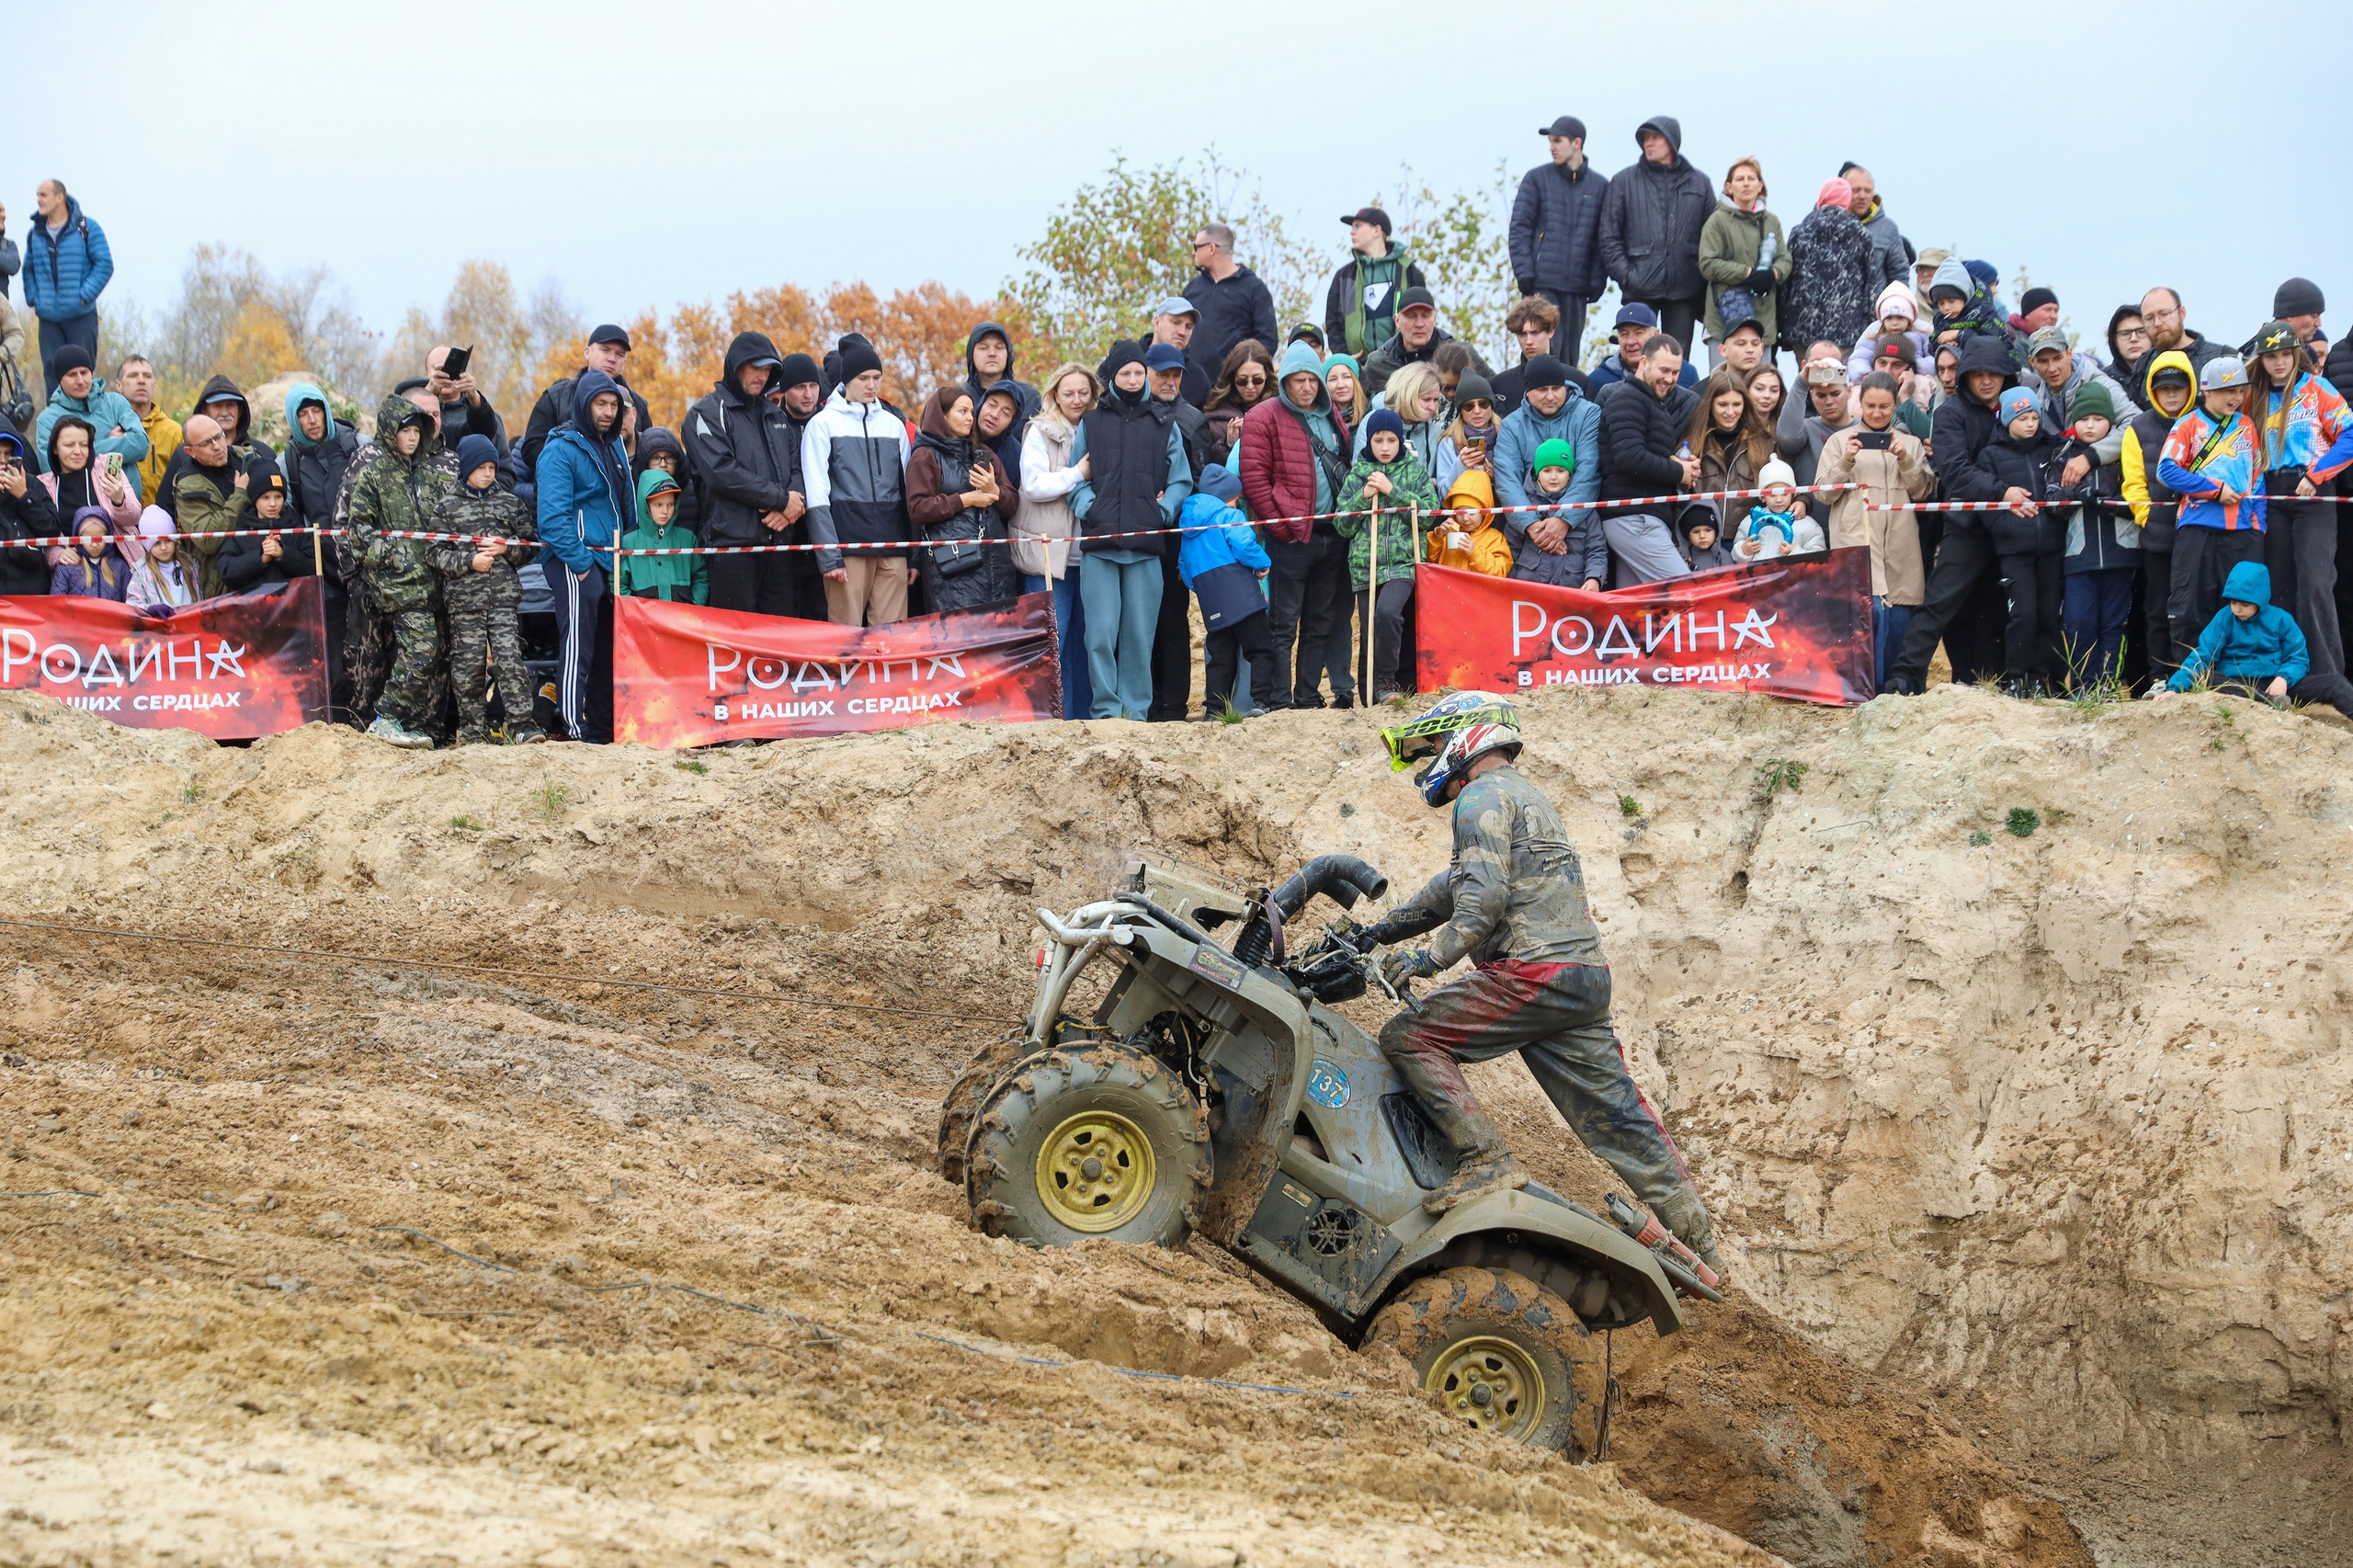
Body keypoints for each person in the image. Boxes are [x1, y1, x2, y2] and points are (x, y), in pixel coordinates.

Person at [1358, 692, 1723, 1272]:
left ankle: (1485, 1159)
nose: (1430, 762)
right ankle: (1703, 1250)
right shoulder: (1526, 796)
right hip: (1582, 979)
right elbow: (1450, 888)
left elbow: (1480, 902)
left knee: (1409, 1036)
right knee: (1619, 1121)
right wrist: (1379, 931)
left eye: (1434, 746)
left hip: (1532, 972)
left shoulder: (1478, 797)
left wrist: (1426, 960)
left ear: (1465, 737)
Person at [1887, 336, 2031, 695]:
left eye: (1994, 373)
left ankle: (2009, 681)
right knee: (1939, 601)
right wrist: (2002, 492)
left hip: (2013, 525)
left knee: (2006, 608)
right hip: (1969, 524)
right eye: (1978, 374)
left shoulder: (2021, 407)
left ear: (2006, 374)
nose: (1987, 381)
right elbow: (1955, 471)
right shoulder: (1950, 413)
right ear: (1966, 376)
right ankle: (1905, 676)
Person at [1070, 341, 1190, 720]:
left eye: (1139, 372)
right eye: (1126, 373)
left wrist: (1161, 511)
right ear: (1113, 376)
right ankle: (1106, 711)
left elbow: (1181, 480)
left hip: (1145, 546)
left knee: (1140, 635)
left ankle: (1135, 712)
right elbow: (1075, 480)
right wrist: (1091, 508)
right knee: (1100, 634)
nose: (1134, 379)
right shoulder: (1091, 423)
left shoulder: (1165, 423)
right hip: (1100, 546)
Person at [2241, 321, 2353, 702]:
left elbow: (2350, 434)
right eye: (2271, 356)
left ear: (2295, 354)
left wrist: (2317, 474)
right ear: (2261, 359)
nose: (2279, 362)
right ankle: (2283, 680)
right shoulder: (2252, 396)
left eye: (2286, 354)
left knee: (2315, 582)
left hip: (2312, 491)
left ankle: (2329, 678)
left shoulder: (2318, 388)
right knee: (2277, 585)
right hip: (2268, 492)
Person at [1242, 340, 1356, 710]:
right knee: (1283, 624)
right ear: (1285, 381)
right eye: (1298, 380)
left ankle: (1307, 695)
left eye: (1312, 380)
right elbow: (1254, 480)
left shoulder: (1331, 414)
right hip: (1290, 539)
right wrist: (1282, 528)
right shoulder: (1263, 416)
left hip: (1331, 534)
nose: (1306, 387)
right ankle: (1278, 699)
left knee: (1320, 621)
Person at [343, 396, 452, 747]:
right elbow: (357, 533)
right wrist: (395, 555)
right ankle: (387, 717)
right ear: (390, 433)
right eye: (405, 431)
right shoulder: (373, 475)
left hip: (434, 582)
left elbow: (445, 522)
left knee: (432, 656)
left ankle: (410, 724)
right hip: (399, 583)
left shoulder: (432, 476)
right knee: (422, 649)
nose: (412, 438)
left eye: (417, 431)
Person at [1815, 370, 1936, 686]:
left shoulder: (1910, 443)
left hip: (1901, 550)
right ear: (1860, 403)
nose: (1877, 413)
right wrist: (1846, 460)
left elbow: (1924, 491)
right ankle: (1864, 694)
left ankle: (1899, 694)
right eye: (1870, 406)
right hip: (1857, 546)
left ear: (1895, 404)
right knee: (1865, 627)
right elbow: (1823, 494)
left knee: (1899, 627)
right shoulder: (1839, 440)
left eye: (1884, 406)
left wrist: (1905, 458)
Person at [424, 433, 542, 744]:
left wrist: (507, 549)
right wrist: (469, 561)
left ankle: (521, 725)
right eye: (481, 468)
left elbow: (530, 545)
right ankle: (473, 731)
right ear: (466, 469)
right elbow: (434, 553)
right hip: (464, 603)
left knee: (509, 660)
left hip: (503, 599)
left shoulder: (509, 502)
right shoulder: (447, 507)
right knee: (469, 668)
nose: (488, 474)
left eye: (492, 467)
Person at [537, 371, 633, 743]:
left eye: (614, 405)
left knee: (609, 649)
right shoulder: (560, 449)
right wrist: (581, 566)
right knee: (579, 646)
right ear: (583, 405)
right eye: (600, 404)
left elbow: (623, 505)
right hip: (574, 560)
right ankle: (574, 729)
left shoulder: (614, 445)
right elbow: (551, 519)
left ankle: (602, 730)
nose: (608, 412)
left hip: (611, 561)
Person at [687, 331, 805, 619]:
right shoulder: (704, 413)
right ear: (736, 366)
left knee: (779, 637)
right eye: (755, 368)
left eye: (768, 370)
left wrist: (790, 510)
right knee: (732, 641)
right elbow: (720, 472)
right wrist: (781, 500)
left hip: (779, 547)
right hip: (731, 549)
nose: (762, 377)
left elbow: (798, 468)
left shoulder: (776, 415)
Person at [2157, 355, 2267, 655]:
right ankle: (2191, 673)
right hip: (2197, 528)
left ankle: (2236, 673)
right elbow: (2166, 470)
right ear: (2207, 391)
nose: (2237, 397)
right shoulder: (2188, 423)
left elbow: (2257, 476)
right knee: (2190, 606)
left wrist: (2259, 527)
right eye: (2229, 390)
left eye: (2241, 390)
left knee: (2242, 608)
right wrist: (2214, 490)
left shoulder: (2247, 425)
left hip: (2243, 532)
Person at [802, 339, 914, 628]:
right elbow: (816, 495)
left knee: (894, 639)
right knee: (846, 637)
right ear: (846, 380)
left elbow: (908, 493)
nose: (871, 385)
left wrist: (913, 555)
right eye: (863, 378)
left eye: (877, 378)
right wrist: (829, 555)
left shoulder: (894, 425)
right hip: (846, 547)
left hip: (893, 546)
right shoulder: (822, 424)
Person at [1336, 409, 1438, 701]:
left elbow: (1430, 514)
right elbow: (1342, 525)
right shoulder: (1357, 475)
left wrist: (1392, 491)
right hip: (1365, 565)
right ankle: (1369, 695)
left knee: (1388, 614)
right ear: (1368, 441)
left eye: (1391, 440)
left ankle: (1386, 682)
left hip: (1403, 563)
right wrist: (1363, 497)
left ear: (1400, 441)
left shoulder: (1415, 472)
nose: (1384, 447)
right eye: (1378, 440)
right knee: (1371, 629)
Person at [1016, 362, 1097, 718]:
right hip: (1048, 557)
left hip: (1091, 555)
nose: (1077, 400)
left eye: (1083, 392)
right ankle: (1050, 719)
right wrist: (1077, 473)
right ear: (1055, 396)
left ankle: (1083, 721)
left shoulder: (1099, 429)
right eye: (1069, 393)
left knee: (1086, 644)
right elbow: (1034, 485)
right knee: (1052, 644)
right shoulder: (1039, 432)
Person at [1597, 117, 1713, 356]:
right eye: (1645, 139)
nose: (1647, 143)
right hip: (1638, 288)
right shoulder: (1623, 181)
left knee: (1676, 360)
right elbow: (1608, 236)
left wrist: (1697, 274)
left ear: (1672, 141)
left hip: (1684, 289)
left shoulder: (1699, 183)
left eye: (1654, 138)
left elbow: (1712, 235)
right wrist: (1627, 276)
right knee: (1635, 357)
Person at [1978, 385, 2067, 692]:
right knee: (2023, 615)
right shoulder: (1991, 455)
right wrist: (2008, 527)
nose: (2030, 424)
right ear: (2006, 420)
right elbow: (1985, 506)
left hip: (2051, 548)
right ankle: (2015, 677)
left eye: (2034, 417)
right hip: (2015, 550)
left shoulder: (2052, 448)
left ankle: (2040, 678)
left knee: (2049, 614)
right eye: (2022, 418)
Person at [906, 385, 1019, 616]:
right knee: (960, 634)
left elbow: (1012, 505)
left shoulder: (983, 453)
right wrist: (967, 500)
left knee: (998, 634)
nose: (970, 418)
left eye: (971, 412)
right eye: (962, 411)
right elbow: (918, 509)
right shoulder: (925, 455)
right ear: (942, 415)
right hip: (952, 569)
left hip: (996, 568)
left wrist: (994, 490)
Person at [2052, 381, 2135, 686]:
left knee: (2114, 624)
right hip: (2079, 556)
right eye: (2084, 419)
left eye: (2098, 419)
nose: (2090, 425)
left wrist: (2110, 504)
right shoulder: (2063, 454)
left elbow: (2139, 499)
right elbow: (2052, 501)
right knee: (2077, 623)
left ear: (2110, 422)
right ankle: (2084, 685)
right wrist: (2077, 493)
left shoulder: (2125, 454)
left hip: (2122, 553)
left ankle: (2108, 685)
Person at [1598, 335, 1699, 584]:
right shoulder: (1628, 398)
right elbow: (1630, 457)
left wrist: (1679, 464)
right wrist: (1680, 472)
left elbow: (1640, 453)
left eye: (1675, 372)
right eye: (1664, 370)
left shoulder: (1648, 402)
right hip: (1635, 519)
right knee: (1687, 593)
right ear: (1643, 362)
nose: (1670, 379)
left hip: (1639, 519)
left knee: (1640, 606)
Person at [1145, 343, 1211, 721]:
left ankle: (1173, 704)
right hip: (1136, 532)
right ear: (1147, 374)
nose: (1170, 381)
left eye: (1176, 375)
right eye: (1162, 374)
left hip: (1174, 534)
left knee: (1172, 617)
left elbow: (1199, 481)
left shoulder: (1192, 420)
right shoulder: (1131, 414)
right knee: (1141, 620)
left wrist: (1170, 496)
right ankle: (1148, 701)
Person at [2121, 352, 2197, 676]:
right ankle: (2159, 676)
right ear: (2152, 390)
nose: (2171, 394)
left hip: (2199, 533)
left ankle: (2193, 674)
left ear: (2190, 387)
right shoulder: (2138, 428)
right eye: (2163, 388)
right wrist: (2147, 518)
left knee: (2195, 607)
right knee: (2157, 610)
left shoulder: (2205, 422)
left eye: (2177, 387)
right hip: (2157, 538)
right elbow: (2133, 483)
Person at [1508, 119, 1609, 360]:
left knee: (1570, 359)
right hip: (1541, 285)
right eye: (1550, 141)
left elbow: (1602, 239)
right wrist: (1524, 272)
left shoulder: (1600, 186)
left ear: (1577, 143)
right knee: (1539, 354)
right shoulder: (1536, 179)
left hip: (1577, 288)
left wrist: (1598, 278)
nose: (1551, 147)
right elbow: (1519, 229)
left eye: (1557, 141)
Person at [1178, 464, 1274, 718]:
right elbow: (1244, 545)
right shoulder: (1229, 516)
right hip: (1242, 597)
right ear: (1225, 496)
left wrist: (1207, 587)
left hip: (1212, 602)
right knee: (1261, 648)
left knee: (1220, 658)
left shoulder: (1188, 528)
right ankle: (1261, 702)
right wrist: (1263, 564)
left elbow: (1185, 569)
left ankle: (1214, 710)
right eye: (1235, 498)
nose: (1237, 502)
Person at [2155, 562, 2306, 704]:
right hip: (2234, 683)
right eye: (2233, 603)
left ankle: (2273, 698)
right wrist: (2174, 689)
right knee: (2206, 677)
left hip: (2273, 681)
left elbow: (2298, 657)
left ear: (2260, 600)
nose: (2237, 610)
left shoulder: (2282, 619)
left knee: (2320, 683)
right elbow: (2202, 655)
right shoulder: (2223, 618)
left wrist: (2283, 678)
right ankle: (2269, 701)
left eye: (2245, 604)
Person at [1494, 354, 1600, 535]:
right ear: (1528, 391)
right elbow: (1507, 481)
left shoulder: (1588, 414)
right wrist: (1531, 525)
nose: (1550, 396)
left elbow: (1588, 471)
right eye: (1542, 390)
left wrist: (1563, 520)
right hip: (1527, 532)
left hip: (1581, 526)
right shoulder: (1511, 425)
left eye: (1556, 388)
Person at [1696, 157, 1790, 361]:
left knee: (1761, 380)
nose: (1746, 184)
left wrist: (1772, 274)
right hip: (1723, 319)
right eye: (1740, 179)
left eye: (1751, 178)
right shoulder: (1717, 221)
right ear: (1729, 187)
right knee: (1723, 380)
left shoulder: (1771, 221)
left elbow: (1785, 258)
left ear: (1760, 185)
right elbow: (1708, 263)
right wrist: (1747, 273)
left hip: (1763, 318)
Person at [21, 182, 112, 393]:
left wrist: (84, 296)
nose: (39, 200)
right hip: (48, 319)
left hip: (81, 316)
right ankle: (56, 415)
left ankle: (85, 415)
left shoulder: (87, 228)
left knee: (82, 373)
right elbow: (28, 268)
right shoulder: (35, 233)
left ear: (59, 198)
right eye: (37, 195)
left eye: (43, 195)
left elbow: (104, 264)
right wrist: (34, 298)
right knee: (52, 373)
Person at [521, 324, 649, 473]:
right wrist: (578, 469)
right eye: (605, 350)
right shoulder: (555, 398)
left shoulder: (638, 405)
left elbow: (651, 453)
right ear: (587, 352)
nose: (612, 359)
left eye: (620, 354)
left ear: (625, 362)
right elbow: (531, 449)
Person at [1779, 178, 1878, 369]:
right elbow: (1871, 284)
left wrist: (1783, 324)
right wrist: (1871, 327)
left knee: (1806, 378)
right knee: (1838, 381)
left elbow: (1786, 283)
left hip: (1803, 325)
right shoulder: (1861, 234)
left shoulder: (1800, 231)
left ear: (1821, 198)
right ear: (1847, 201)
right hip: (1847, 327)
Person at [2019, 326, 2133, 481]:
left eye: (2057, 358)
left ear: (2069, 353)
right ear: (2032, 362)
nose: (2052, 368)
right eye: (2043, 361)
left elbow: (2135, 423)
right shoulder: (2037, 401)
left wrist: (2091, 456)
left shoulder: (2102, 386)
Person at [1181, 225, 1278, 403]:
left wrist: (1242, 377)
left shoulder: (1253, 288)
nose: (1193, 253)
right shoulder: (1193, 288)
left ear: (1212, 248)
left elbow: (1267, 341)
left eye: (1196, 247)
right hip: (1191, 389)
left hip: (1231, 396)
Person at [33, 345, 148, 483]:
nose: (80, 381)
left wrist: (78, 452)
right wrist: (114, 444)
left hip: (126, 495)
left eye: (84, 372)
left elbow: (141, 444)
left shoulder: (116, 403)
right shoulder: (47, 420)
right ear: (60, 379)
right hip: (78, 496)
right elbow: (52, 471)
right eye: (72, 375)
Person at [1506, 438, 1609, 590]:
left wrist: (1594, 578)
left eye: (1561, 471)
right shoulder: (1524, 508)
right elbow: (1510, 552)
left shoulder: (1585, 510)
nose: (1553, 477)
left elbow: (1596, 550)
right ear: (1537, 474)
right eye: (1547, 470)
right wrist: (1506, 588)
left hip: (1573, 592)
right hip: (1528, 593)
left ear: (1570, 475)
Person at [39, 415, 142, 565]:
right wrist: (57, 554)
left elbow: (133, 517)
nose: (77, 451)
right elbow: (41, 536)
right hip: (74, 570)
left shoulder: (106, 468)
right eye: (69, 445)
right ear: (54, 448)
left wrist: (119, 500)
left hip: (120, 564)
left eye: (84, 445)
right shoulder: (44, 485)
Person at [1327, 207, 1426, 361]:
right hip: (1358, 366)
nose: (1352, 232)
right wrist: (1344, 358)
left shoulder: (1408, 271)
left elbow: (1423, 317)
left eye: (1358, 226)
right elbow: (1333, 323)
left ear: (1377, 230)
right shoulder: (1344, 276)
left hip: (1402, 364)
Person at [1362, 289, 1492, 398]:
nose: (1419, 324)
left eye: (1426, 315)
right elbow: (1360, 405)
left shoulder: (1462, 354)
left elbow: (1495, 389)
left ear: (1434, 318)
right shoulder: (1378, 364)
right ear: (1397, 321)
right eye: (1411, 316)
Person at [616, 466, 708, 608]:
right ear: (645, 505)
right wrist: (635, 611)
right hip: (642, 618)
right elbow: (618, 583)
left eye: (670, 504)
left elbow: (701, 577)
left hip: (683, 616)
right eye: (658, 505)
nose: (665, 511)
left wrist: (694, 606)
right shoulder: (629, 541)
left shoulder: (688, 538)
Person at [1490, 297, 1595, 416]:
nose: (1529, 341)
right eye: (1522, 334)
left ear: (1551, 331)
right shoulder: (1500, 385)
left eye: (1535, 332)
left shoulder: (1578, 381)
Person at [1776, 341, 1859, 491]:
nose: (1829, 402)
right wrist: (1801, 383)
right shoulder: (1807, 428)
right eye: (1821, 396)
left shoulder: (1862, 429)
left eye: (1835, 394)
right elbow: (1788, 439)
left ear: (1849, 391)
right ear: (1812, 395)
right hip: (1811, 506)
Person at [1684, 369, 1773, 498]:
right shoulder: (1690, 446)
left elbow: (1784, 489)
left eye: (1736, 404)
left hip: (1752, 512)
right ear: (1710, 405)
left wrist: (1801, 499)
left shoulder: (1765, 444)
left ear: (1745, 405)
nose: (1730, 412)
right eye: (1723, 404)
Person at [214, 457, 297, 596]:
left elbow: (313, 567)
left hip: (293, 605)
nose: (273, 504)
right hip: (253, 608)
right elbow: (226, 571)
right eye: (265, 497)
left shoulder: (296, 527)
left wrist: (283, 554)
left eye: (278, 497)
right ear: (254, 498)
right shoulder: (241, 532)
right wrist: (260, 558)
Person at [2124, 288, 2231, 388]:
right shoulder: (2142, 366)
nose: (2157, 323)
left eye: (2164, 314)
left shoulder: (2221, 358)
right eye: (2149, 318)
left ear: (2182, 313)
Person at [426, 345, 510, 472]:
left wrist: (475, 399)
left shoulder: (485, 413)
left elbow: (504, 470)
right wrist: (428, 393)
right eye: (439, 369)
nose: (446, 374)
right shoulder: (412, 405)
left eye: (450, 367)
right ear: (427, 373)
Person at [1199, 341, 1276, 472]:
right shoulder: (1214, 417)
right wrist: (1227, 445)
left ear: (1267, 376)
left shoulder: (1280, 409)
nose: (1250, 386)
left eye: (1257, 380)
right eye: (1242, 381)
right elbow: (1207, 469)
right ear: (1232, 378)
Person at [1588, 306, 1698, 397]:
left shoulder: (1686, 374)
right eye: (1624, 334)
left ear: (1656, 334)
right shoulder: (1598, 380)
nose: (1630, 342)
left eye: (1639, 333)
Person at [0, 426, 58, 595]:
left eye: (7, 453)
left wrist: (24, 496)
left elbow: (51, 529)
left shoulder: (31, 483)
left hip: (30, 589)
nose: (3, 461)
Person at [114, 357, 179, 506]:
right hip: (117, 515)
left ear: (154, 386)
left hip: (162, 517)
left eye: (147, 376)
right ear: (119, 385)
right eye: (133, 375)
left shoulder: (174, 432)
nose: (141, 381)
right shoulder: (109, 428)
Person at [1838, 164, 1913, 292]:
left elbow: (1899, 275)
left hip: (1875, 304)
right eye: (1856, 190)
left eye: (1867, 191)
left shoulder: (1888, 229)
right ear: (1842, 191)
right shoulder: (1827, 226)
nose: (1862, 196)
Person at [1732, 460, 1825, 561]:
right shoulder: (1749, 522)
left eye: (1784, 494)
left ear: (1793, 494)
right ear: (1762, 496)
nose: (1779, 500)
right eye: (1772, 495)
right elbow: (1735, 553)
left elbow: (1819, 559)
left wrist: (1794, 552)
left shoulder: (1808, 526)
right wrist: (1744, 551)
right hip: (1757, 571)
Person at [1430, 470, 1515, 576]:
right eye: (1460, 513)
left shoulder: (1495, 538)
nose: (1465, 518)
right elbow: (1427, 559)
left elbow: (1500, 571)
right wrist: (1437, 536)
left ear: (1484, 512)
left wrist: (1474, 553)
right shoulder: (1446, 534)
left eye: (1471, 513)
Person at [962, 321, 1039, 434]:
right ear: (971, 354)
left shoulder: (1030, 399)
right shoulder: (957, 398)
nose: (992, 353)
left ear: (1008, 353)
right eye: (983, 348)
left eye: (999, 347)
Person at [1846, 284, 1933, 381]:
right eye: (1889, 318)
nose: (1894, 323)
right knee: (1858, 388)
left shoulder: (1923, 330)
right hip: (1879, 378)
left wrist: (1914, 365)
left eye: (1900, 318)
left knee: (1923, 384)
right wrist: (1865, 375)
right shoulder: (1875, 331)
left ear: (1910, 318)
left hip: (1914, 376)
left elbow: (1934, 358)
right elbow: (1860, 356)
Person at [1433, 373, 1502, 492]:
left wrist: (1496, 479)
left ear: (1491, 406)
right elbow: (1443, 495)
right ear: (1461, 411)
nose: (1477, 411)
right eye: (1469, 406)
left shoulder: (1506, 435)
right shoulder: (1449, 442)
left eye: (1483, 404)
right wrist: (1460, 466)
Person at [124, 508, 199, 614]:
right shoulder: (142, 572)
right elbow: (132, 605)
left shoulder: (190, 564)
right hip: (162, 623)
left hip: (191, 621)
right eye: (157, 543)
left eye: (168, 540)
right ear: (147, 546)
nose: (164, 548)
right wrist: (150, 609)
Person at [1145, 297, 1211, 408]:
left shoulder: (1197, 377)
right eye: (1176, 322)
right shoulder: (1128, 360)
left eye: (1188, 327)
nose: (1182, 332)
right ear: (1157, 323)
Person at [51, 509, 128, 599]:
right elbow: (56, 602)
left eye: (100, 538)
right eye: (87, 539)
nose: (94, 544)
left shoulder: (120, 567)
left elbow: (130, 601)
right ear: (78, 538)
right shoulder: (67, 568)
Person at [2102, 307, 2153, 407]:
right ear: (2115, 340)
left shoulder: (2165, 372)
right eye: (2125, 333)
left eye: (2141, 331)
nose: (2133, 339)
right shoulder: (2102, 381)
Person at [1677, 501, 1737, 572]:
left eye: (1708, 530)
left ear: (1717, 531)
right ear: (1688, 535)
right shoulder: (1679, 557)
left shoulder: (1723, 557)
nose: (1702, 536)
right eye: (1696, 532)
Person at [1324, 353, 1369, 428]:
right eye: (1333, 379)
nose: (1341, 385)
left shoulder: (1372, 413)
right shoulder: (1320, 420)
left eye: (1347, 377)